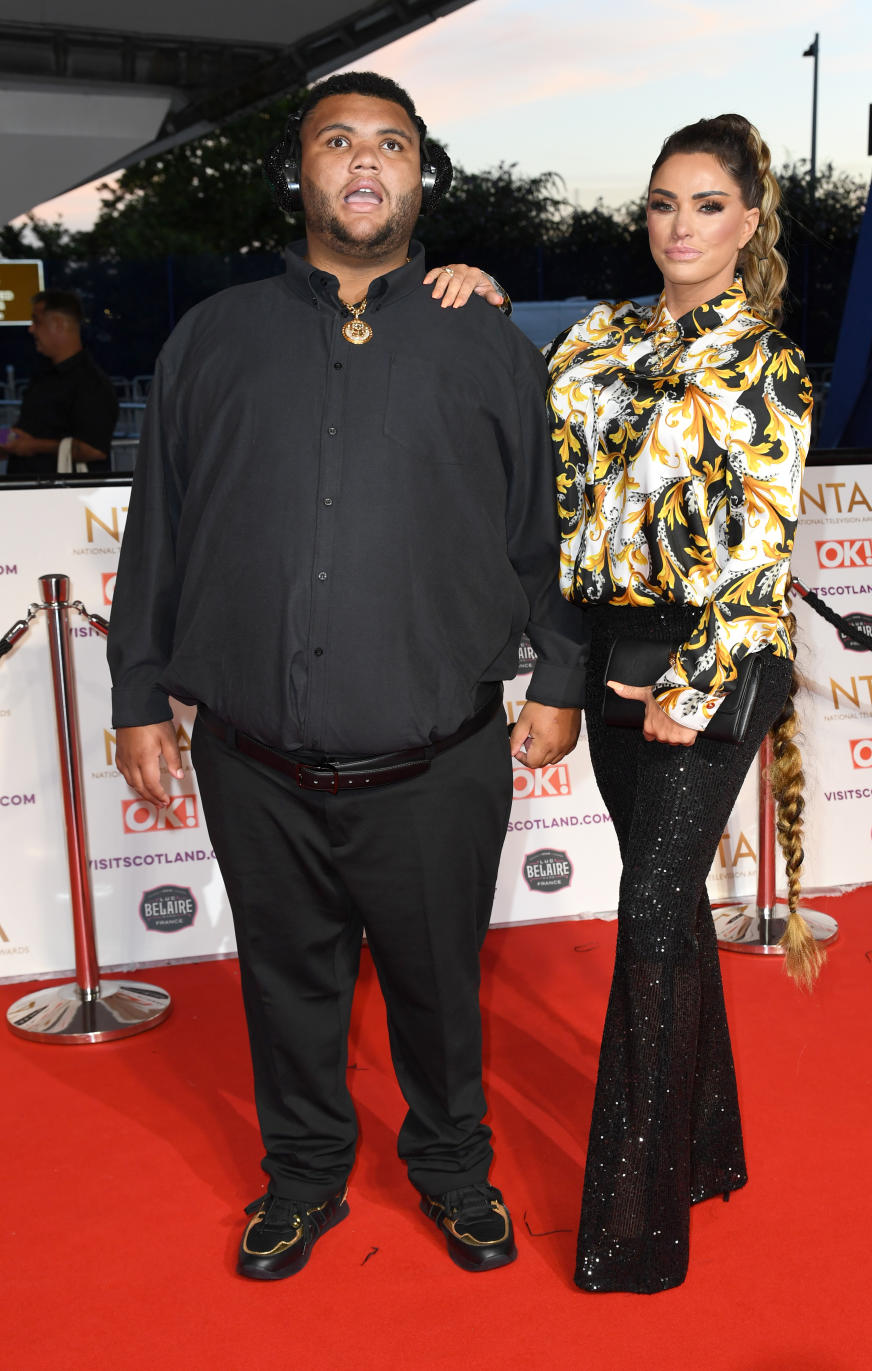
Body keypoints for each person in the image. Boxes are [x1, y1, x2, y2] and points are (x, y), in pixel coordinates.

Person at [106, 71, 587, 1283]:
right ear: (302, 171)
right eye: (337, 142)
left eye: (391, 144)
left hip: (439, 763)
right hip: (253, 758)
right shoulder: (212, 339)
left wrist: (563, 678)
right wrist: (136, 694)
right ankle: (305, 1177)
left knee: (437, 991)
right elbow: (161, 530)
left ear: (420, 176)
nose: (364, 162)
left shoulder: (485, 341)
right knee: (285, 985)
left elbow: (546, 537)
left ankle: (452, 1172)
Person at [431, 113, 821, 1294]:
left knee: (648, 917)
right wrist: (483, 293)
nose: (682, 226)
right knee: (672, 917)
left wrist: (695, 689)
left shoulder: (767, 363)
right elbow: (530, 418)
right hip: (605, 661)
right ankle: (707, 1148)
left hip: (716, 665)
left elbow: (758, 554)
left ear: (749, 223)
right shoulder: (595, 338)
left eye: (707, 204)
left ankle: (634, 1234)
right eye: (663, 202)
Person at [1, 290, 117, 476]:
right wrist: (4, 438)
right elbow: (22, 432)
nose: (31, 329)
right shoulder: (43, 376)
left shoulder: (92, 383)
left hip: (64, 498)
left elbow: (94, 449)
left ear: (59, 324)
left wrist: (33, 446)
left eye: (36, 321)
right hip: (27, 496)